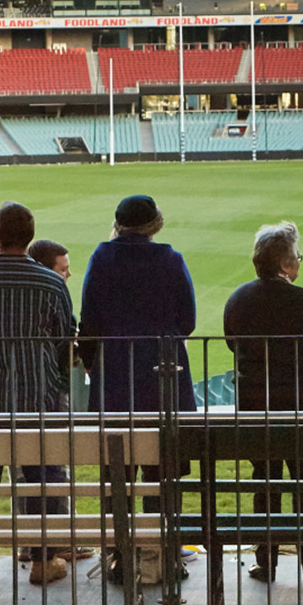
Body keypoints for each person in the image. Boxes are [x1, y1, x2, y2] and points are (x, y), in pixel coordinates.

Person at [0, 202, 78, 588]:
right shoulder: (51, 283)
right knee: (46, 475)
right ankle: (44, 560)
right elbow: (62, 338)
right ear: (29, 237)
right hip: (37, 393)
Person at [77, 195, 196, 583]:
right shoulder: (171, 259)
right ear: (154, 223)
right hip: (163, 371)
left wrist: (94, 361)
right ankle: (163, 554)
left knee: (118, 471)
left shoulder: (102, 257)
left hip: (115, 375)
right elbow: (188, 320)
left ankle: (119, 555)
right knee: (163, 470)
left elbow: (89, 321)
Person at [223, 221, 303, 583]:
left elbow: (232, 343)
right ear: (287, 265)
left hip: (254, 403)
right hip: (299, 400)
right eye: (298, 258)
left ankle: (267, 561)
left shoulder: (239, 299)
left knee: (265, 482)